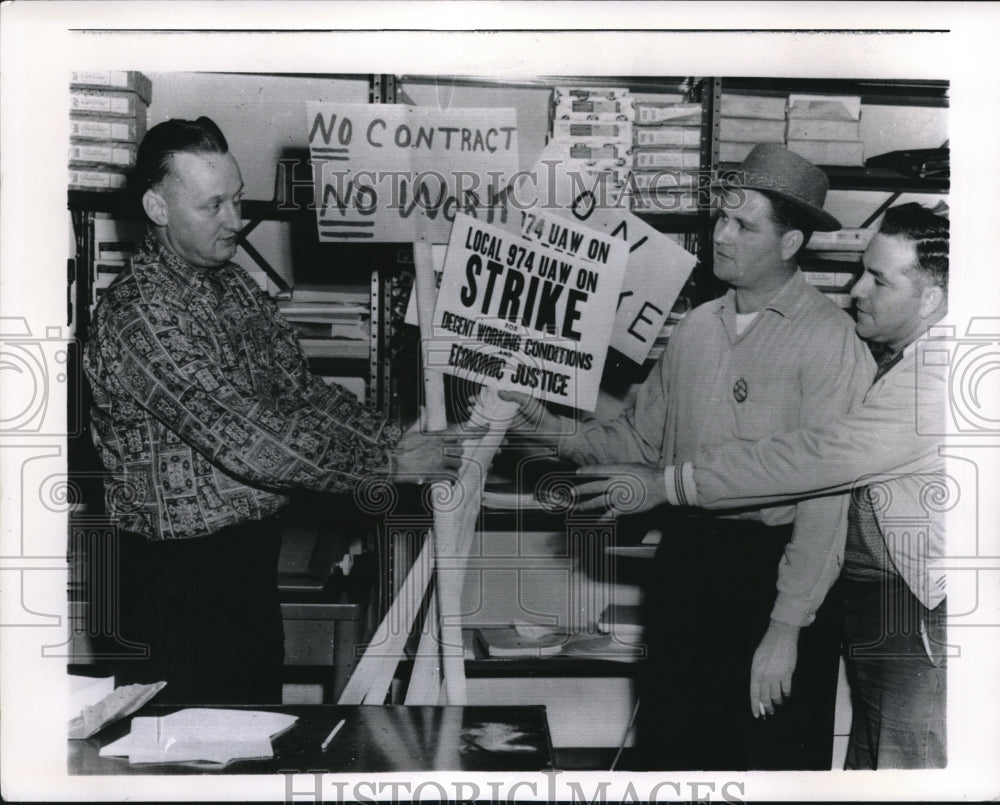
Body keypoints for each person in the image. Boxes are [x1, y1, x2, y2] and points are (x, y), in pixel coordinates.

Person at [508, 143, 875, 770]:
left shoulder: (829, 342)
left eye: (743, 225)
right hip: (686, 566)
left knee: (766, 762)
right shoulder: (698, 327)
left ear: (790, 244)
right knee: (676, 753)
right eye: (720, 219)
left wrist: (787, 627)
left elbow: (825, 503)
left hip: (771, 578)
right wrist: (550, 430)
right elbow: (641, 441)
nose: (721, 236)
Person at [84, 117, 458, 705]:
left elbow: (300, 392)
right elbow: (245, 436)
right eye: (213, 207)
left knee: (250, 746)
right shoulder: (140, 316)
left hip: (242, 568)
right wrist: (386, 464)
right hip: (173, 583)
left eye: (236, 199)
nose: (235, 220)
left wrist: (394, 437)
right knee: (182, 770)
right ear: (157, 208)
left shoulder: (229, 287)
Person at [640, 203, 947, 769]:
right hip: (880, 605)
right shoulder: (905, 361)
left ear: (930, 299)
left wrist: (677, 483)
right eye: (861, 271)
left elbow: (818, 460)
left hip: (917, 615)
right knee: (874, 769)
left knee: (908, 771)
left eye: (878, 278)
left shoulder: (934, 381)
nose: (857, 290)